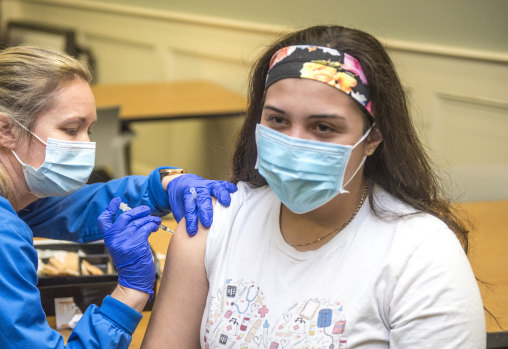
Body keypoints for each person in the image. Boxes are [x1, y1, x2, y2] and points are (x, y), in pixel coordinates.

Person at [142, 25, 486, 348]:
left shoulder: (420, 255)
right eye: (277, 120)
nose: (293, 142)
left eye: (322, 127)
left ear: (373, 138)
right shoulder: (213, 224)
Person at [0, 46, 236, 348]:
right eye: (71, 130)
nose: (86, 145)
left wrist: (161, 188)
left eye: (90, 129)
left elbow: (71, 207)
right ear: (5, 129)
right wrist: (129, 292)